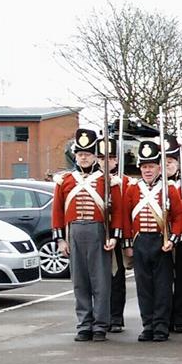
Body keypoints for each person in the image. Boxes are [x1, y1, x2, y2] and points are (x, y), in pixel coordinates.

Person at [52, 129, 124, 342]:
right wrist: (60, 239)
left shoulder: (108, 181)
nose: (84, 157)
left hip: (98, 231)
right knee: (80, 282)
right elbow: (57, 211)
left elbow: (117, 211)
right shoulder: (64, 181)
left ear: (95, 155)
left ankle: (101, 325)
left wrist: (114, 236)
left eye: (88, 153)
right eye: (80, 154)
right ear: (76, 155)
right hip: (74, 231)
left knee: (101, 282)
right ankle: (84, 324)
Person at [122, 140, 182, 342]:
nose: (147, 171)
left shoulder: (169, 189)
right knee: (144, 287)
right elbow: (125, 218)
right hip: (141, 241)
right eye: (144, 167)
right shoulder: (133, 190)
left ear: (159, 167)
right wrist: (128, 244)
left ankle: (161, 326)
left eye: (151, 166)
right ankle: (148, 325)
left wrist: (173, 240)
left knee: (163, 287)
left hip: (161, 242)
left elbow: (180, 217)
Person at [96, 135, 136, 334]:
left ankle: (115, 317)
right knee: (98, 279)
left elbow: (128, 211)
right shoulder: (92, 181)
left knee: (116, 277)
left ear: (116, 160)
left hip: (118, 236)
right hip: (97, 234)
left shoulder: (126, 182)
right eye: (102, 158)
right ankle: (99, 317)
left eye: (110, 158)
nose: (106, 162)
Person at [164, 137, 182, 334]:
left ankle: (181, 317)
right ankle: (164, 316)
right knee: (163, 280)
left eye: (171, 162)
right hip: (161, 239)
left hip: (181, 239)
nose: (167, 166)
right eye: (163, 162)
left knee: (181, 279)